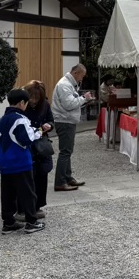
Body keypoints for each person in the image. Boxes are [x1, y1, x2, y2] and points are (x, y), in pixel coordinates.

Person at [0, 89, 46, 234]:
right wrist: (39, 131)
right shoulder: (20, 119)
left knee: (7, 194)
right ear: (22, 103)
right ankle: (32, 221)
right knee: (27, 192)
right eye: (26, 103)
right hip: (21, 162)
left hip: (4, 163)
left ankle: (8, 222)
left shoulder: (0, 121)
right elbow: (26, 139)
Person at [51, 63, 94, 191]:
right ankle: (60, 182)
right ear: (75, 73)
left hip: (67, 120)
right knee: (65, 152)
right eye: (82, 76)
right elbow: (69, 104)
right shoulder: (64, 85)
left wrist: (83, 100)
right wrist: (84, 98)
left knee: (67, 151)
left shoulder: (68, 84)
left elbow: (71, 103)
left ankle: (67, 177)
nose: (82, 79)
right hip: (65, 121)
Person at [18, 80, 54, 219]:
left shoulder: (45, 105)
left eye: (36, 98)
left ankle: (38, 205)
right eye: (31, 97)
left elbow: (51, 120)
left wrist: (48, 125)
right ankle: (22, 208)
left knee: (41, 175)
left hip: (40, 144)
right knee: (27, 177)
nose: (33, 101)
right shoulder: (21, 106)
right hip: (26, 145)